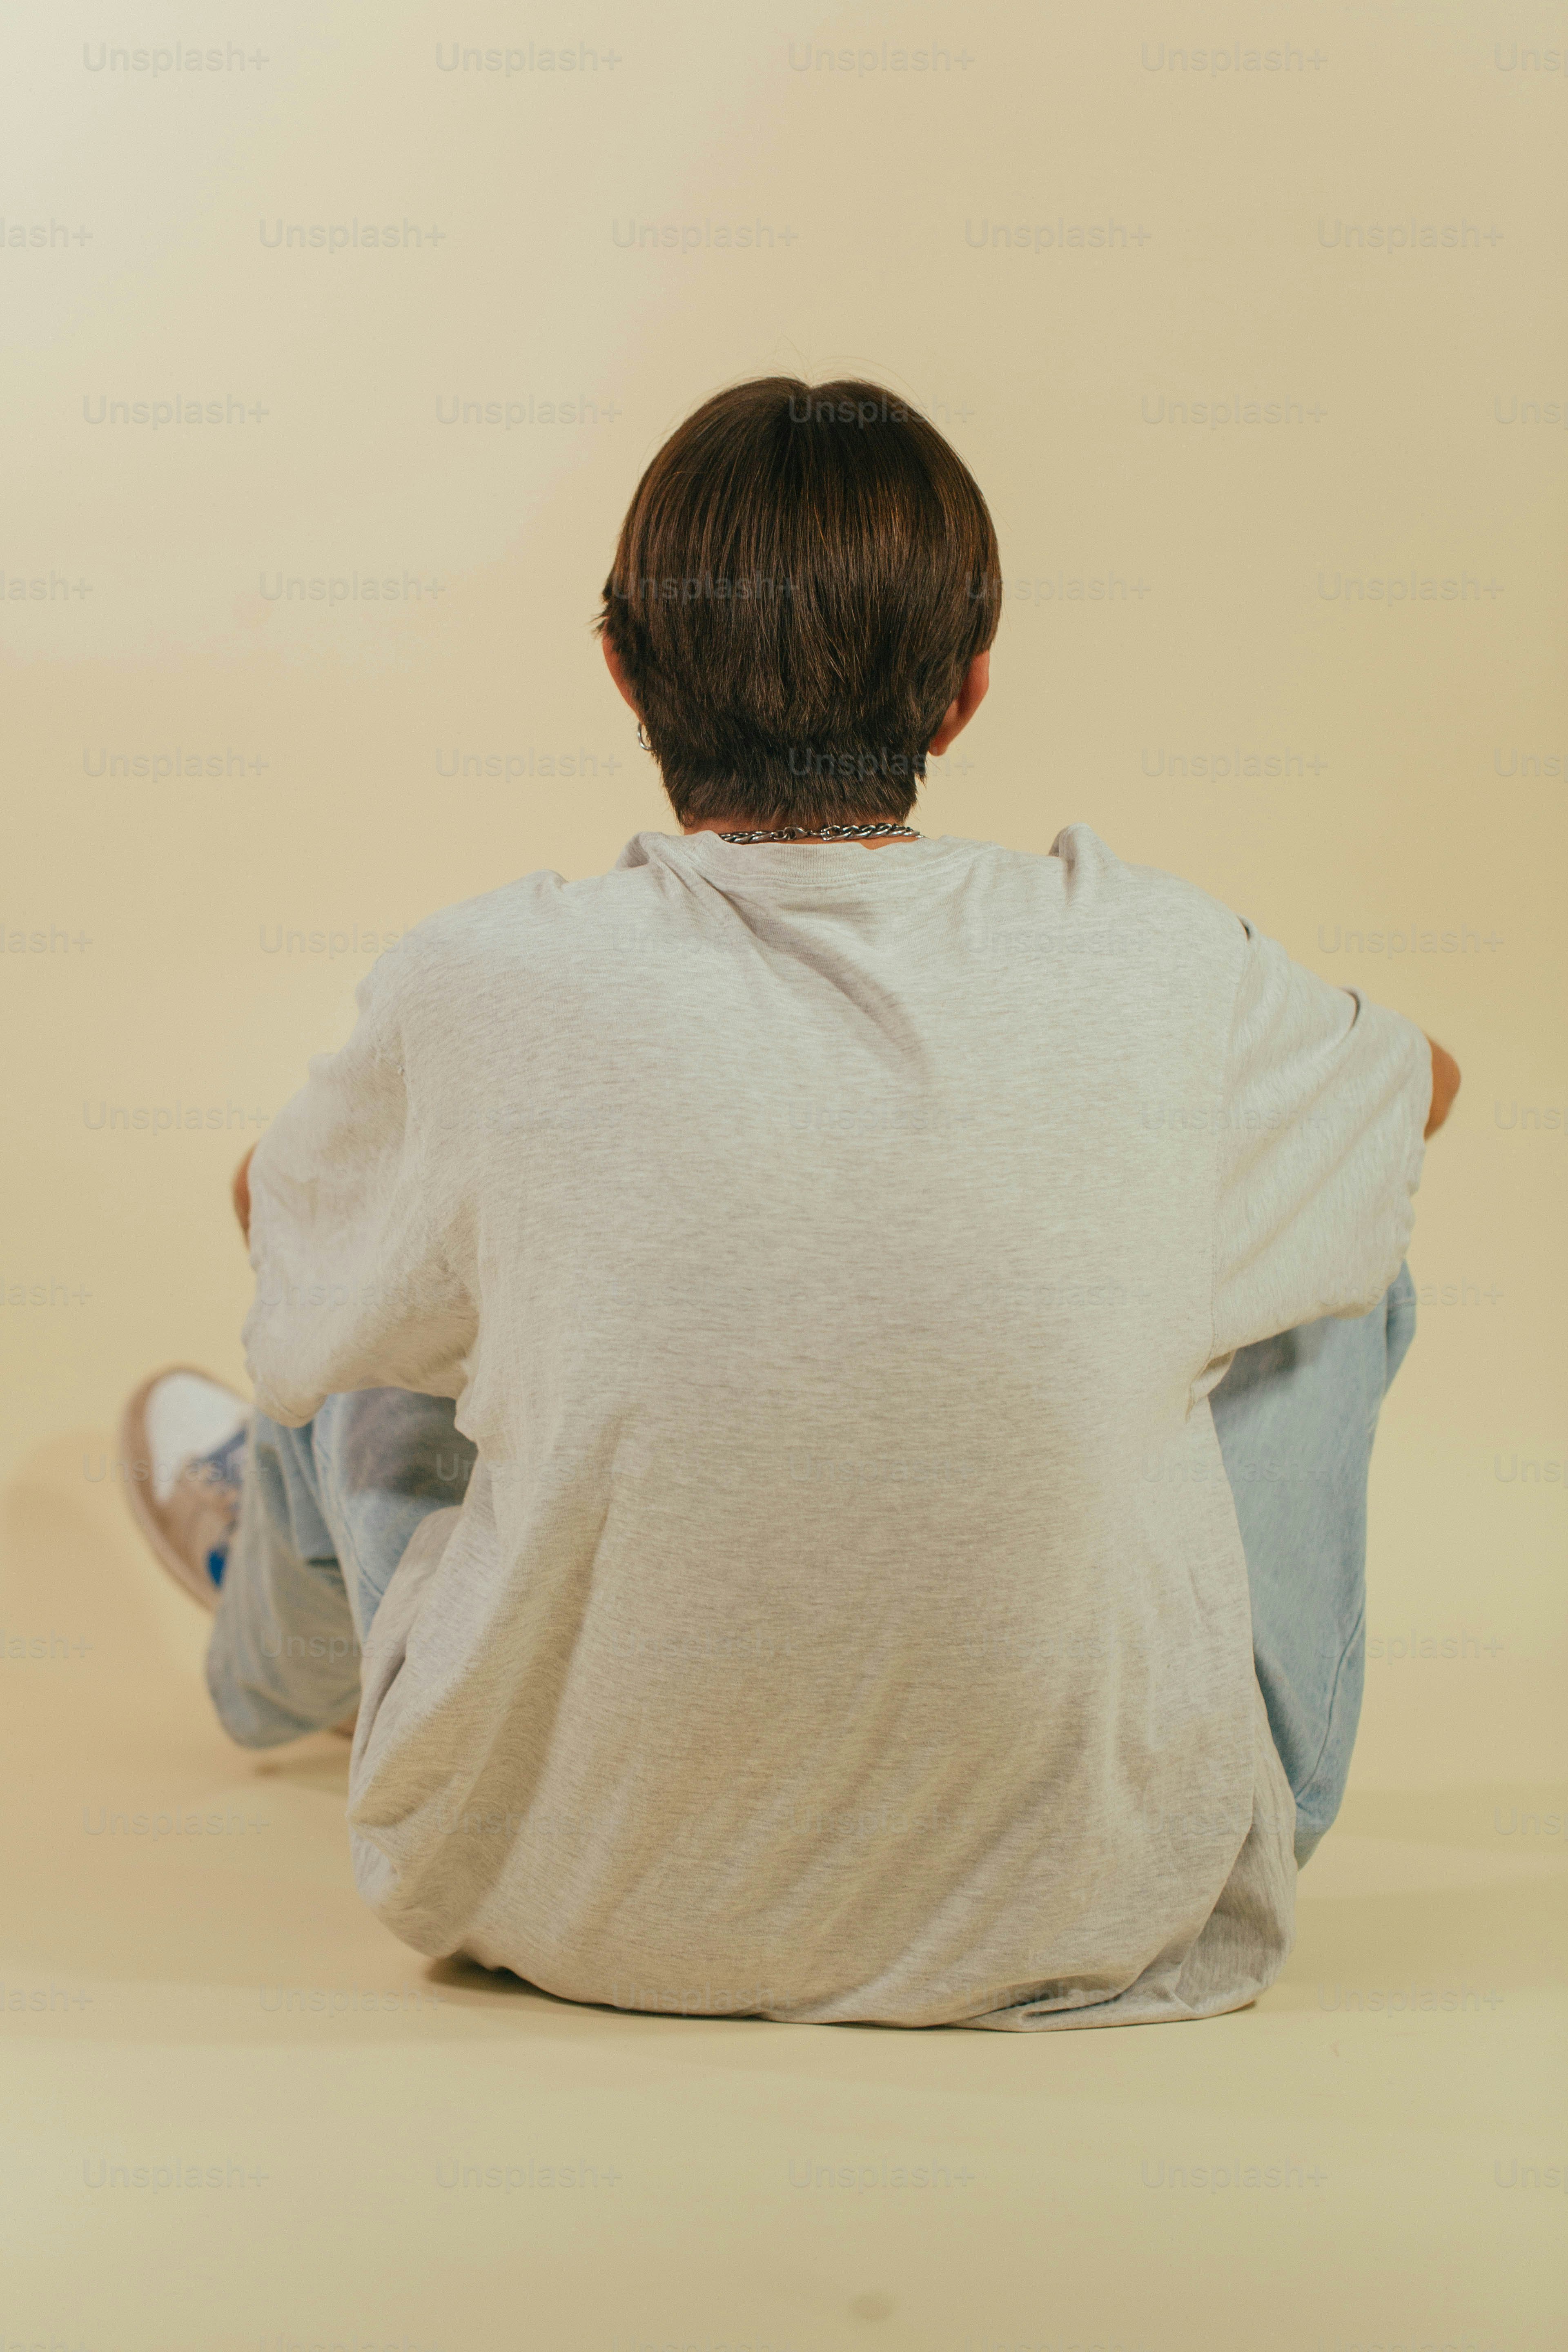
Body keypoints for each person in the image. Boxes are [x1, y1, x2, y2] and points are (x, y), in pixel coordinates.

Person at [119, 378, 1461, 2031]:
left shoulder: (485, 987)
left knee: (371, 1261)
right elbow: (1424, 1086)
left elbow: (272, 1203)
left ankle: (273, 1654)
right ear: (966, 690)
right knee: (1335, 1228)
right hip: (1106, 1907)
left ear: (622, 669)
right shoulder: (1153, 961)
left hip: (552, 1892)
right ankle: (1171, 1771)